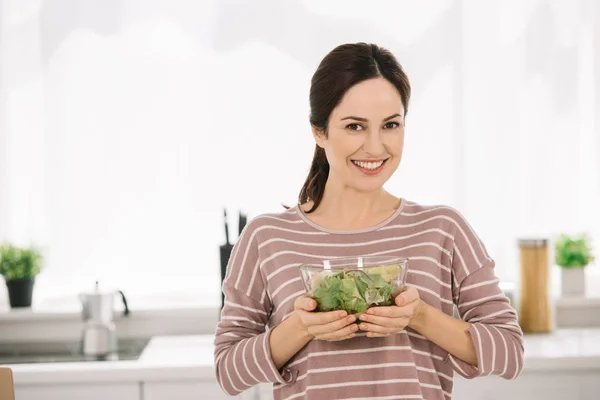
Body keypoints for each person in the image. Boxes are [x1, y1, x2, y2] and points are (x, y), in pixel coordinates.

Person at [214, 42, 524, 400]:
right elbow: (228, 372)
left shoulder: (442, 230)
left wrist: (420, 316)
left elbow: (509, 353)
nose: (376, 148)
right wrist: (300, 327)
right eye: (355, 126)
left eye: (390, 125)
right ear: (319, 131)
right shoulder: (267, 237)